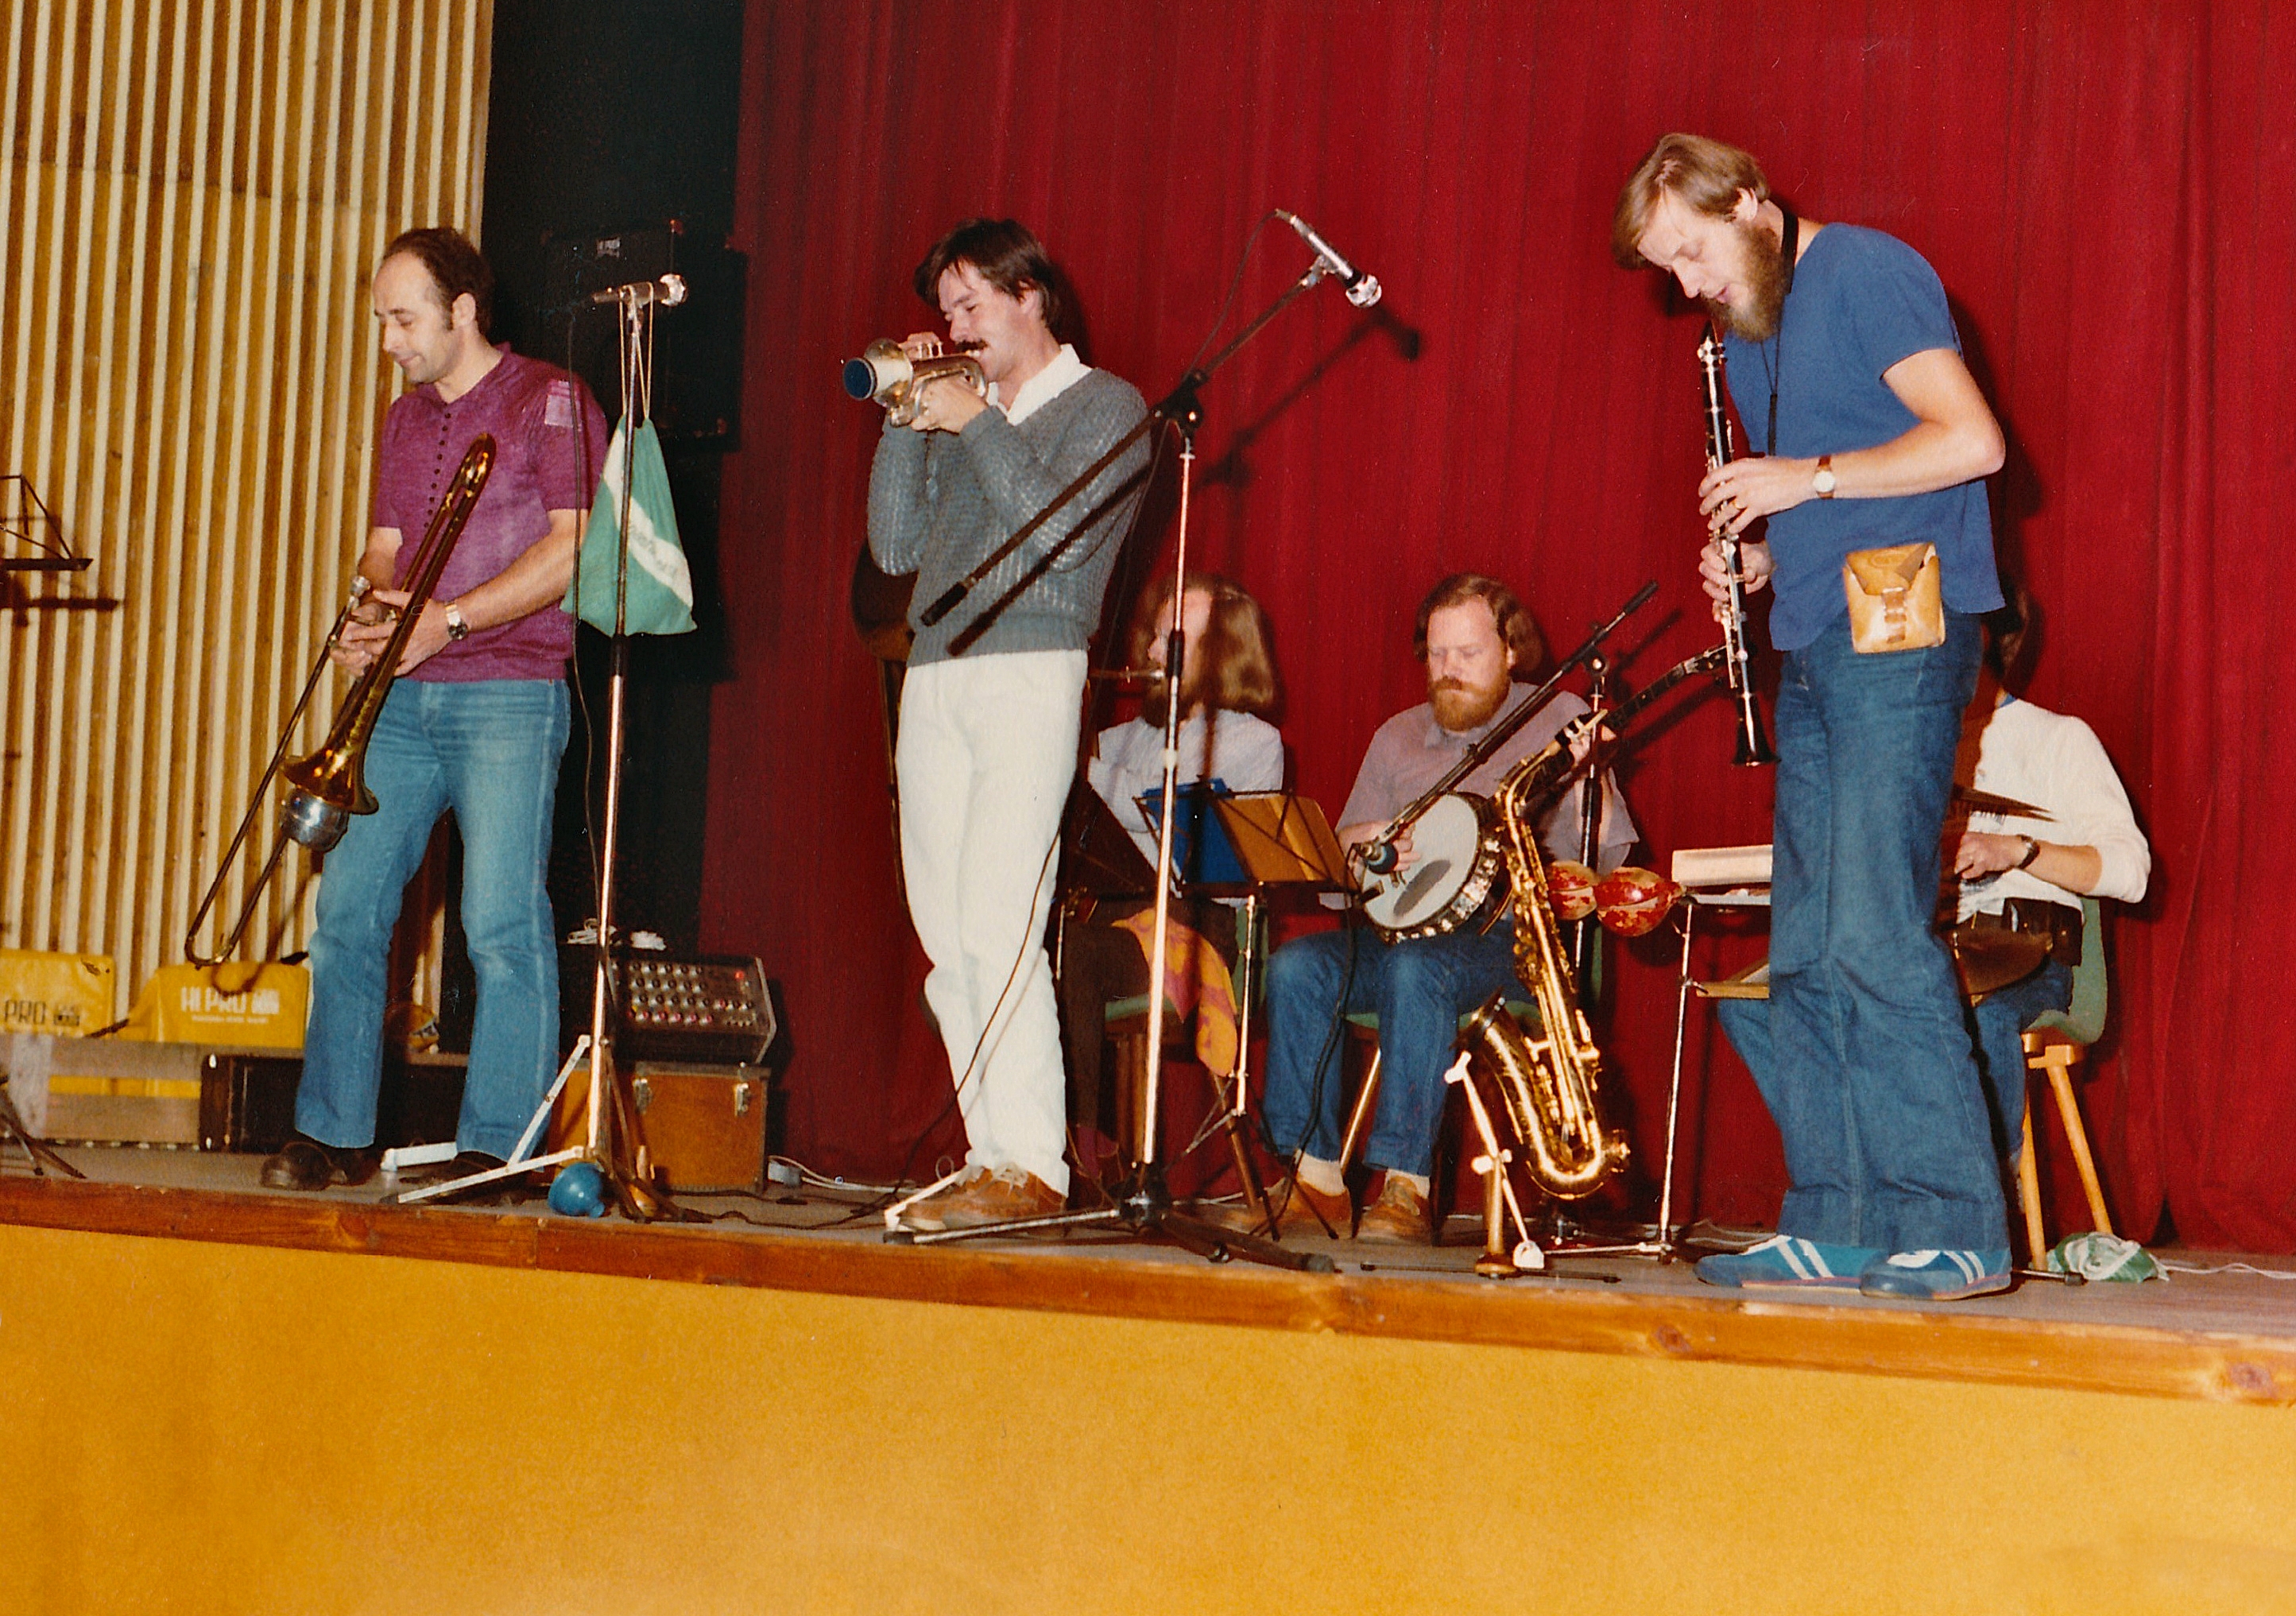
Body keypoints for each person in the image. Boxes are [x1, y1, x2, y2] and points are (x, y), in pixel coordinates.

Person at [1616, 133, 2015, 1299]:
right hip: (1818, 633)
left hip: (1903, 625)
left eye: (1693, 253)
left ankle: (1958, 1225)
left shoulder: (1868, 270)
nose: (1689, 286)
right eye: (1669, 271)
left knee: (1879, 930)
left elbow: (1971, 440)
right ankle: (1837, 1218)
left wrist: (1807, 481)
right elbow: (1819, 488)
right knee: (1810, 939)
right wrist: (1756, 552)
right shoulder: (1750, 330)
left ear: (1748, 201)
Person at [261, 227, 606, 1194]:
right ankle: (332, 1132)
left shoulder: (552, 400)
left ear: (464, 312)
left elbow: (570, 552)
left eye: (403, 318)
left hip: (509, 690)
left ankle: (500, 1146)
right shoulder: (404, 418)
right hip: (405, 694)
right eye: (380, 318)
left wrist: (443, 621)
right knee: (347, 912)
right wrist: (370, 607)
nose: (388, 339)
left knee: (500, 921)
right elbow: (385, 544)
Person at [868, 219, 1152, 1231]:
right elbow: (896, 547)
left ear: (1029, 296)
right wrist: (909, 417)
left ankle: (1033, 1161)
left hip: (1032, 669)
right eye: (944, 312)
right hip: (937, 674)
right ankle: (994, 1157)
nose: (955, 326)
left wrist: (974, 423)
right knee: (949, 939)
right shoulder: (962, 412)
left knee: (1000, 922)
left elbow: (1059, 540)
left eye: (970, 305)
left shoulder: (1108, 406)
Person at [1717, 583, 2151, 1188]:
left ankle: (1970, 1199)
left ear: (1977, 645)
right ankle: (1855, 1184)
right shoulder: (1912, 749)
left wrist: (2018, 850)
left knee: (1981, 1020)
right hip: (1918, 944)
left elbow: (2131, 871)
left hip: (2025, 952)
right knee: (1761, 1006)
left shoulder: (2058, 738)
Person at [1256, 574, 1635, 1242]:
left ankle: (1405, 1185)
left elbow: (1610, 858)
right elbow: (1339, 859)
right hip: (1402, 937)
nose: (1448, 671)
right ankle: (1313, 1177)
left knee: (1416, 972)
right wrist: (1366, 847)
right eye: (1436, 655)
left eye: (1467, 653)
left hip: (1509, 944)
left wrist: (1587, 780)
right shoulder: (1395, 737)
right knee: (1296, 966)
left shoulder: (1559, 716)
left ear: (1511, 650)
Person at [1059, 572, 1285, 1145]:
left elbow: (1158, 802)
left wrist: (1080, 767)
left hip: (1200, 927)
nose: (1153, 652)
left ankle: (1080, 1145)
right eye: (1157, 638)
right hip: (1120, 917)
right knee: (1046, 945)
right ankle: (1029, 1143)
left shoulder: (1254, 741)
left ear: (1223, 654)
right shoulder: (1119, 738)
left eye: (1172, 642)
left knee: (1075, 954)